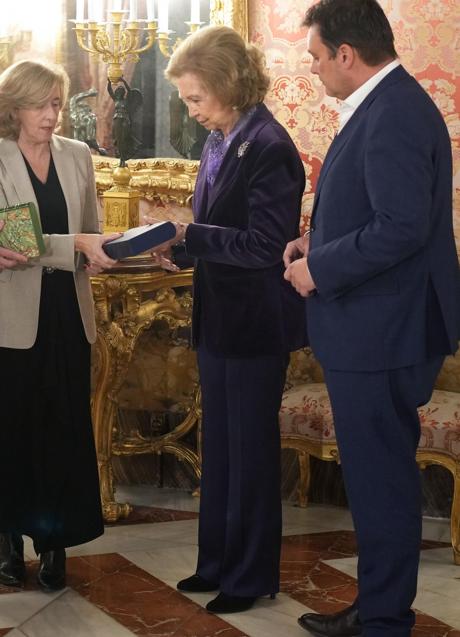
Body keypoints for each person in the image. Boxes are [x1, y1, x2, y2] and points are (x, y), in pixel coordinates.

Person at [283, 1, 460, 636]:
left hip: (384, 330)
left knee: (382, 480)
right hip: (376, 324)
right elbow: (377, 215)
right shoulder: (389, 106)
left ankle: (385, 621)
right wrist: (315, 244)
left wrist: (320, 271)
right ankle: (379, 606)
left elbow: (402, 227)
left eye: (316, 57)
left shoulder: (393, 114)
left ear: (346, 55)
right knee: (376, 476)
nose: (315, 69)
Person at [146, 25, 306, 614]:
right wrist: (179, 247)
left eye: (195, 98)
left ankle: (251, 574)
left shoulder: (269, 145)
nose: (190, 112)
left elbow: (267, 244)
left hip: (256, 325)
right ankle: (214, 562)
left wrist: (194, 235)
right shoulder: (220, 140)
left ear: (229, 85)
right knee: (220, 450)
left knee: (250, 455)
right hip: (219, 320)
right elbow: (216, 231)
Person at [0, 60, 120, 592]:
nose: (51, 116)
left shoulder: (78, 156)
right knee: (11, 433)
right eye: (39, 105)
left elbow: (90, 232)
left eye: (56, 103)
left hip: (69, 317)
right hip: (9, 321)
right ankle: (6, 543)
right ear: (13, 107)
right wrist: (74, 247)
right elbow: (21, 247)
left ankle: (54, 547)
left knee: (62, 431)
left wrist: (103, 253)